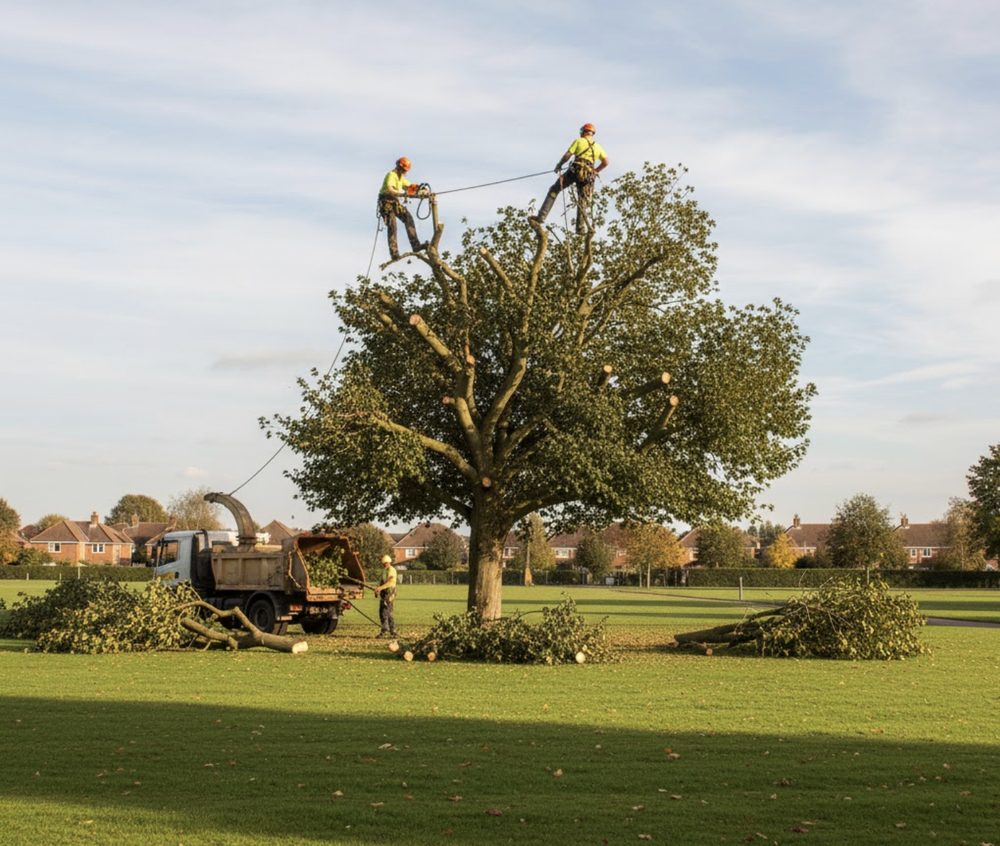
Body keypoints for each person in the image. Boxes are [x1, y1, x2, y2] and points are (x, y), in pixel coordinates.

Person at [531, 123, 609, 233]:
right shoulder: (598, 146)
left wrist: (559, 165)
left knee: (554, 190)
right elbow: (606, 162)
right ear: (592, 134)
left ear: (583, 132)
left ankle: (541, 216)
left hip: (575, 171)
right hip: (588, 174)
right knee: (582, 199)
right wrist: (596, 171)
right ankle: (580, 228)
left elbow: (568, 155)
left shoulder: (579, 141)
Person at [378, 157, 429, 260]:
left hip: (394, 203)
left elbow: (409, 186)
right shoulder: (391, 175)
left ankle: (416, 245)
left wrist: (420, 189)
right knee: (392, 226)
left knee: (408, 218)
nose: (404, 173)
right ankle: (394, 253)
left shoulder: (401, 178)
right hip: (386, 203)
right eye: (404, 170)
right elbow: (389, 190)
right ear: (399, 167)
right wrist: (403, 194)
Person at [373, 553, 397, 637]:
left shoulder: (391, 570)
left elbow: (390, 582)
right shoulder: (385, 570)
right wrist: (378, 589)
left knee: (388, 612)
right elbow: (382, 582)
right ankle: (385, 629)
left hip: (389, 594)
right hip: (384, 594)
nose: (383, 564)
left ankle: (392, 630)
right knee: (382, 612)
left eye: (384, 562)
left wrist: (380, 588)